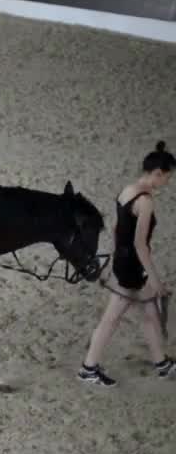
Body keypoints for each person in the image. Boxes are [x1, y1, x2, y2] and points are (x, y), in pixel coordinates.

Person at [78, 141, 176, 387]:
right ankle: (88, 368)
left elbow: (117, 229)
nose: (168, 183)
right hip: (132, 267)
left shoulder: (127, 191)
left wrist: (118, 259)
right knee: (112, 317)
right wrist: (156, 281)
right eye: (168, 177)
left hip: (123, 262)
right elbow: (140, 245)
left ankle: (162, 363)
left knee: (150, 312)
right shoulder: (145, 201)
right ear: (157, 173)